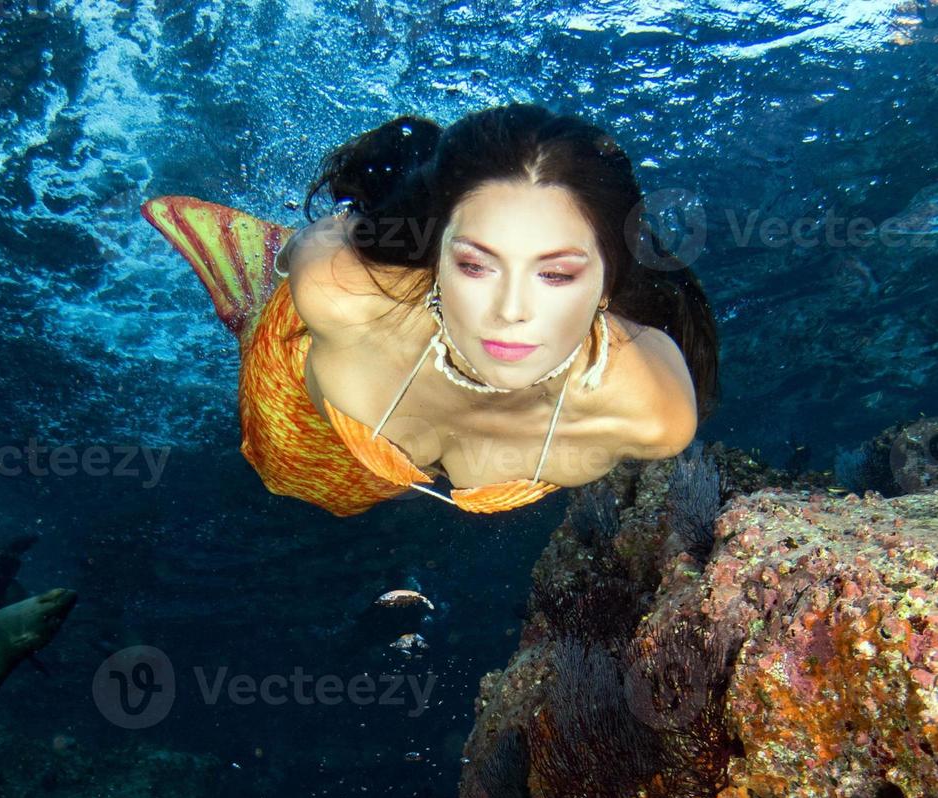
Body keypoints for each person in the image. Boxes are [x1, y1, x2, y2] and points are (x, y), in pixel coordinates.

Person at [142, 104, 719, 517]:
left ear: (607, 282)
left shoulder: (654, 417)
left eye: (556, 274)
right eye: (475, 265)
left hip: (371, 487)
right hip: (288, 390)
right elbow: (307, 253)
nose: (511, 311)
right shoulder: (340, 291)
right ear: (435, 258)